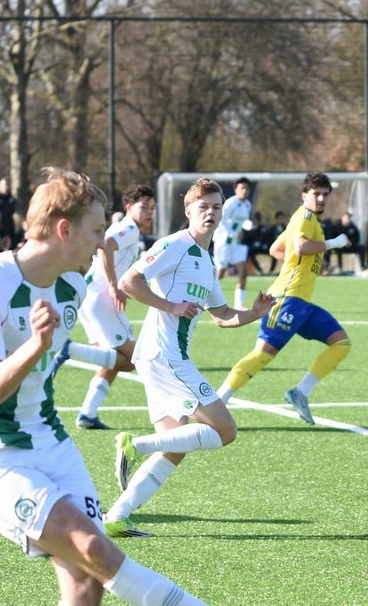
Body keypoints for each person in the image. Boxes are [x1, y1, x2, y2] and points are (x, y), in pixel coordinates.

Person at [0, 167, 273, 606]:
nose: (105, 244)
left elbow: (41, 357)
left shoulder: (71, 286)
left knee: (86, 583)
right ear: (64, 229)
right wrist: (23, 353)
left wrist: (92, 354)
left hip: (50, 441)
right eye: (98, 231)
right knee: (94, 550)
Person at [104, 178, 274, 537]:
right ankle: (135, 445)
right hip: (165, 355)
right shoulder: (175, 244)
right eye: (203, 207)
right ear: (188, 211)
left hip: (161, 357)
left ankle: (117, 515)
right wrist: (171, 306)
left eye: (216, 207)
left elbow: (222, 315)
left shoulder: (208, 262)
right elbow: (130, 281)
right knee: (225, 430)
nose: (210, 213)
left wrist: (255, 313)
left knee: (176, 444)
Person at [216, 172, 353, 427]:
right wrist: (333, 243)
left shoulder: (308, 220)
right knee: (262, 355)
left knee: (341, 343)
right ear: (304, 196)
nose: (321, 199)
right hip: (287, 299)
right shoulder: (305, 217)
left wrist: (307, 263)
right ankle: (217, 401)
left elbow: (276, 249)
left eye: (325, 194)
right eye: (316, 194)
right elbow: (300, 247)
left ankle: (300, 392)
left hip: (302, 303)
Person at [73, 184, 156, 430]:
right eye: (144, 207)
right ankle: (69, 350)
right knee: (135, 359)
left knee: (112, 361)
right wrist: (112, 286)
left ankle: (87, 413)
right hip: (101, 299)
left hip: (90, 297)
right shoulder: (129, 228)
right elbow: (106, 245)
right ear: (129, 207)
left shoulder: (128, 229)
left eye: (152, 208)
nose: (149, 212)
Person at [212, 176, 254, 308]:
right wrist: (234, 233)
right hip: (224, 242)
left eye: (247, 188)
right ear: (236, 190)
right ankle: (203, 297)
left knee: (243, 272)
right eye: (242, 188)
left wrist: (248, 226)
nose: (245, 191)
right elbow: (221, 220)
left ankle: (239, 304)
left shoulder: (248, 205)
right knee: (220, 274)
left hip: (237, 243)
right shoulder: (230, 203)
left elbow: (243, 222)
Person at [0, 177, 19, 251]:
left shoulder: (12, 200)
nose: (5, 187)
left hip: (10, 231)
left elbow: (18, 214)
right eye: (4, 185)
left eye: (7, 185)